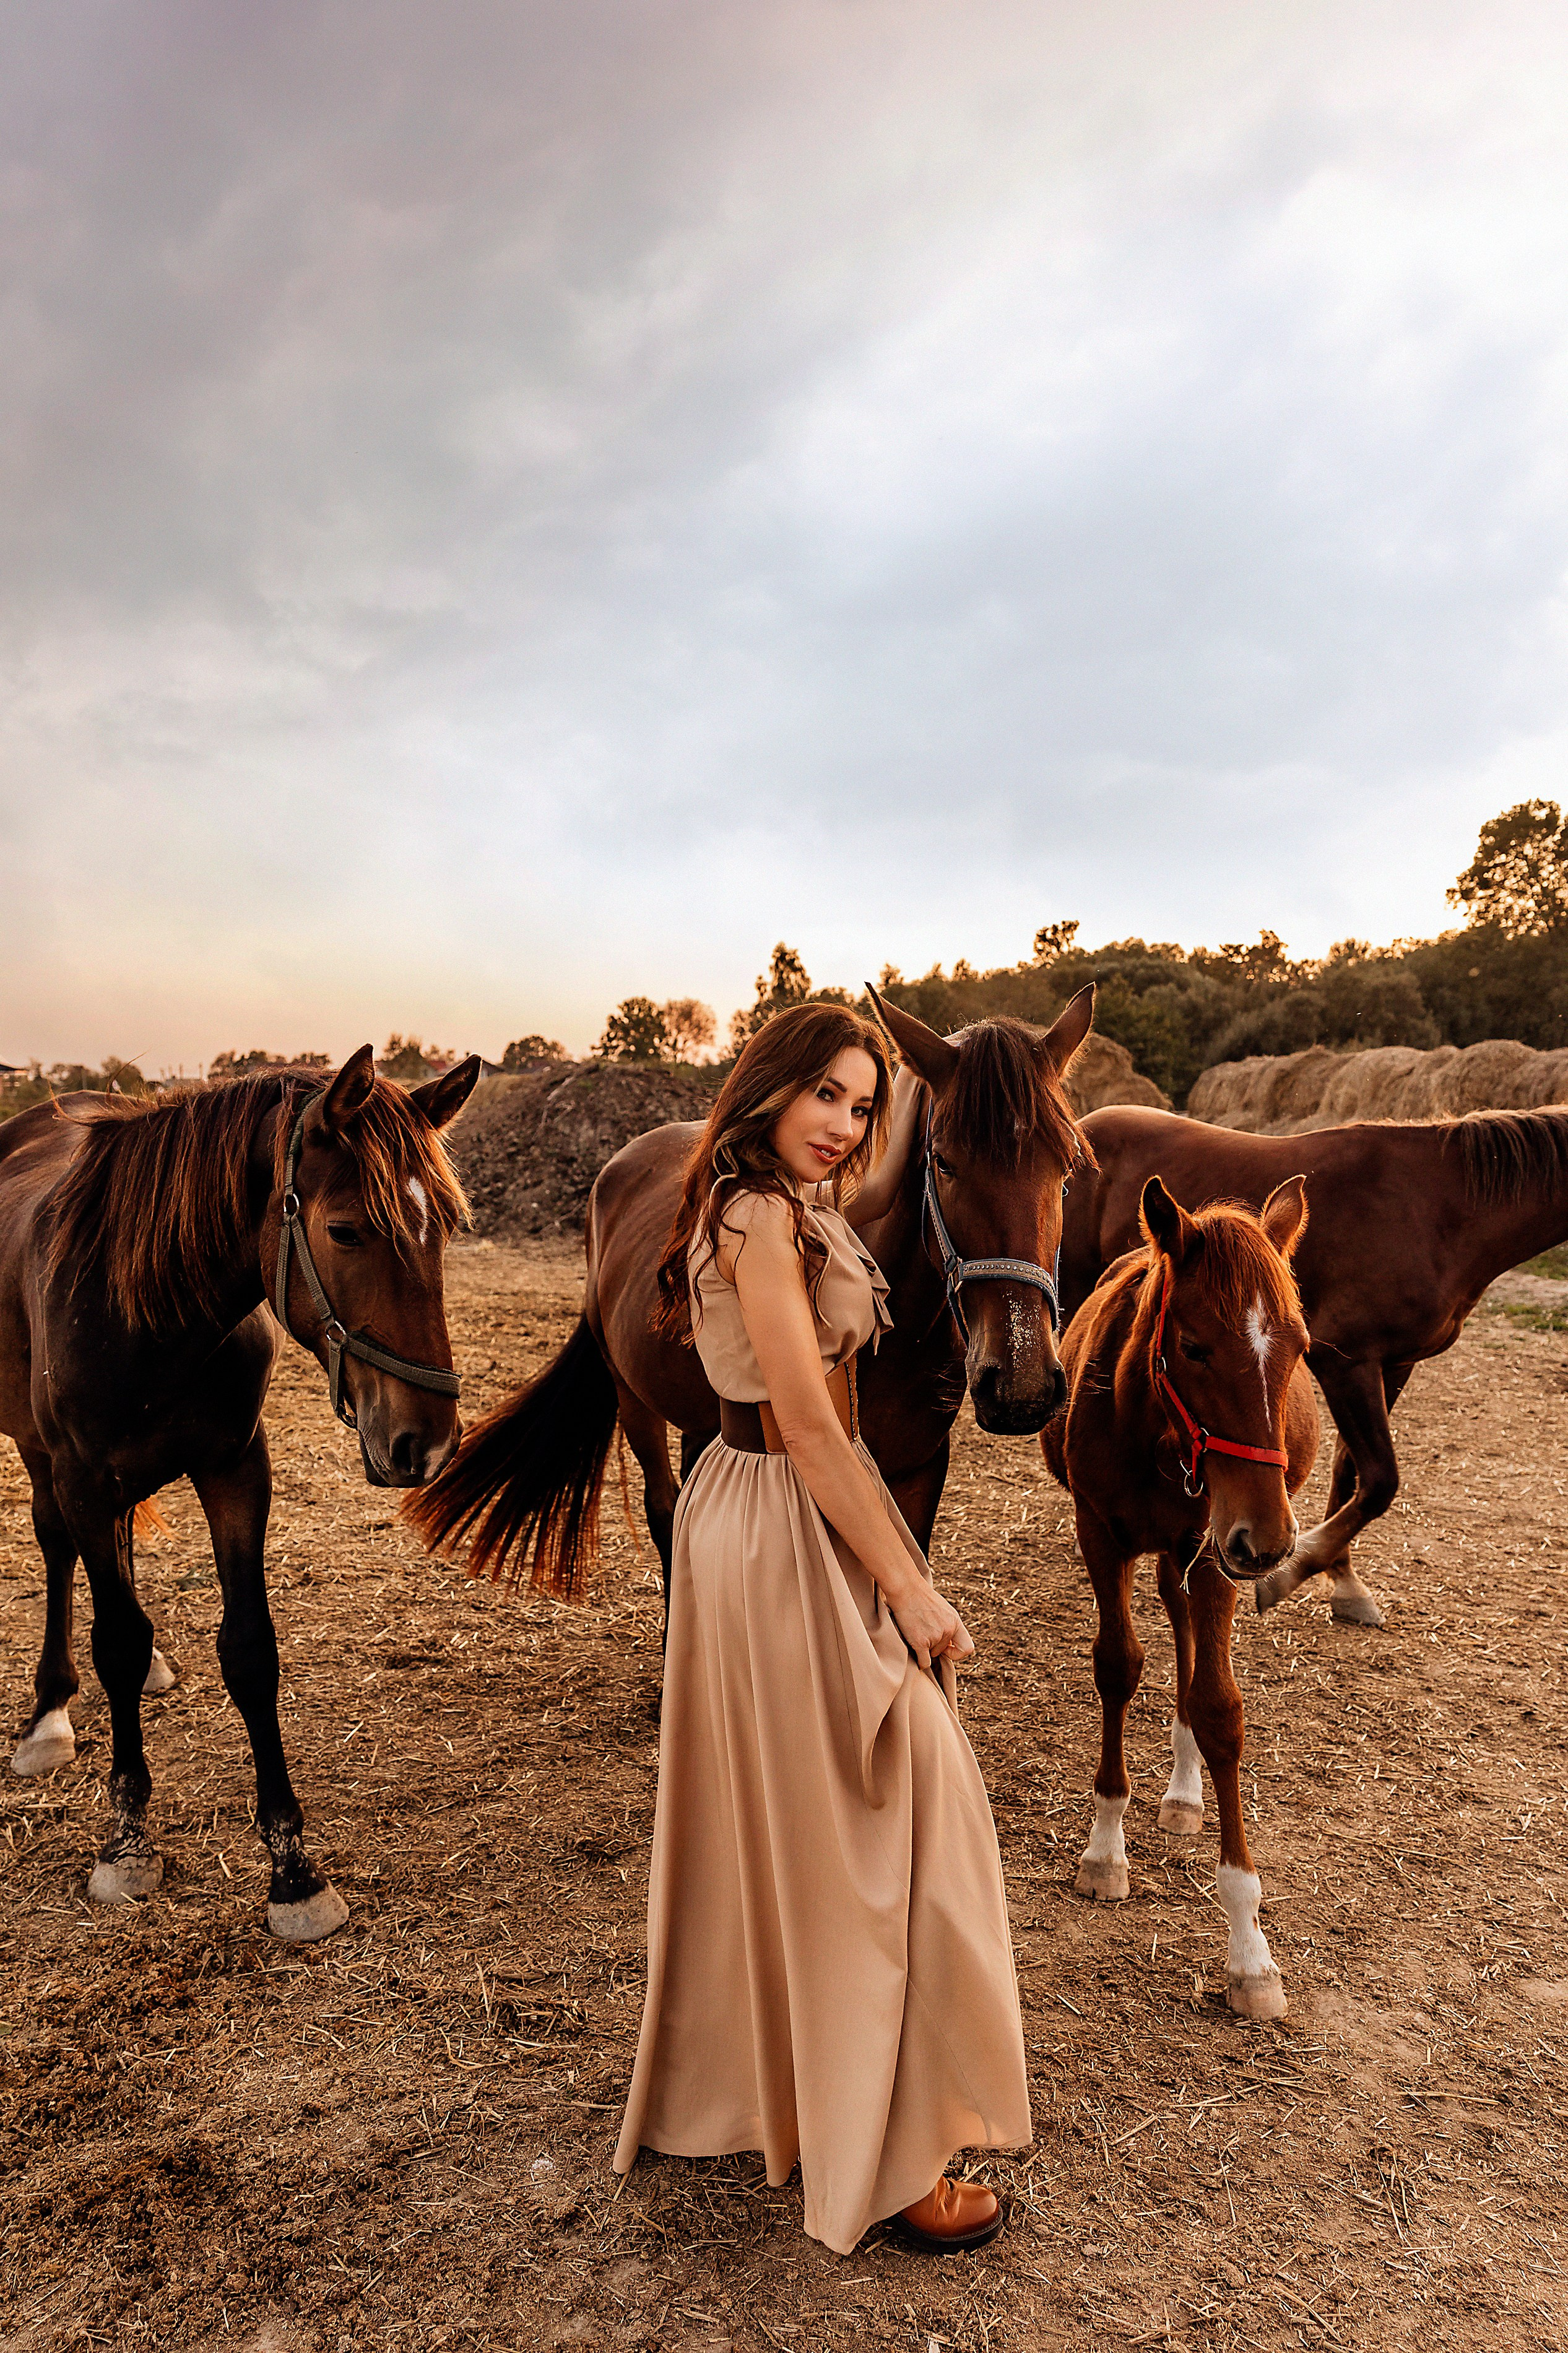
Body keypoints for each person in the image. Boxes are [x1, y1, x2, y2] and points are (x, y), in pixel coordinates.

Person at [612, 1001, 1031, 2255]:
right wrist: (911, 1587)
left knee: (831, 1821)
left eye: (862, 1104)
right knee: (883, 1816)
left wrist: (889, 1556)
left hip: (790, 1512)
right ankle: (886, 2162)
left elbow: (845, 1398)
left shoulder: (801, 1206)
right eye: (824, 1095)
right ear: (769, 1088)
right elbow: (803, 1421)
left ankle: (822, 2104)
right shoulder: (752, 1215)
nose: (843, 1124)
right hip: (774, 1512)